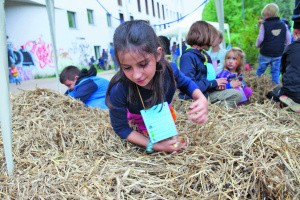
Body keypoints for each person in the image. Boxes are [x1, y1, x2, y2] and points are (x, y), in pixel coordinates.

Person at [105, 20, 208, 153]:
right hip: (138, 119)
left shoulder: (170, 70)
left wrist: (201, 98)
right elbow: (121, 128)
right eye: (127, 68)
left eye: (143, 64)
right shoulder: (119, 89)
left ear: (158, 54)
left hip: (163, 113)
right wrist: (154, 146)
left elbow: (186, 83)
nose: (137, 75)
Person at [179, 20, 243, 109]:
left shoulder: (205, 55)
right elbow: (188, 86)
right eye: (212, 37)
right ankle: (211, 110)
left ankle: (215, 110)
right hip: (192, 99)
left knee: (237, 95)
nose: (213, 41)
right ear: (203, 36)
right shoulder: (188, 57)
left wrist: (216, 87)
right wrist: (213, 83)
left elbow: (207, 80)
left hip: (207, 94)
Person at [266, 0, 300, 113]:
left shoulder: (291, 48)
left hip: (291, 91)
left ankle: (284, 100)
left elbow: (283, 69)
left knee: (274, 93)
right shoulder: (282, 25)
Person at [255, 3, 291, 85]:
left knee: (261, 69)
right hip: (278, 53)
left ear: (267, 14)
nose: (263, 18)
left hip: (265, 52)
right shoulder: (284, 25)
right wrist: (284, 48)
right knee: (275, 71)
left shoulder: (264, 25)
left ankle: (256, 83)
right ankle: (275, 86)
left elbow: (260, 38)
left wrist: (257, 45)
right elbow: (288, 40)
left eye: (264, 15)